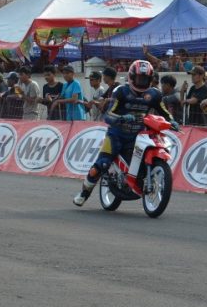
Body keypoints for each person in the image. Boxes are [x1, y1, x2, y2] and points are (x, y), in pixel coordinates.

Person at [73, 60, 178, 206]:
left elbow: (164, 112)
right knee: (102, 164)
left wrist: (172, 121)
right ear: (132, 77)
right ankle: (84, 193)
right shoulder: (121, 91)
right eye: (139, 78)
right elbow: (108, 114)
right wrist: (121, 118)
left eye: (145, 79)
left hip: (139, 135)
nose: (142, 82)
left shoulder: (155, 94)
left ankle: (140, 178)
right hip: (116, 135)